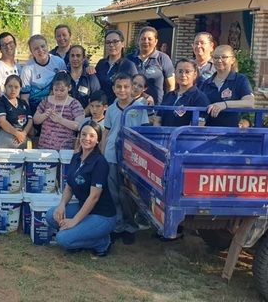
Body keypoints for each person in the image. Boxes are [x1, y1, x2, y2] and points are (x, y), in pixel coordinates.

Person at [45, 120, 117, 256]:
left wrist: (74, 221)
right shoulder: (76, 157)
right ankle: (82, 233)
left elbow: (94, 197)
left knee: (63, 239)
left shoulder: (100, 163)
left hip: (102, 216)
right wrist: (62, 205)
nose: (86, 139)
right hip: (84, 208)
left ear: (97, 140)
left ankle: (102, 242)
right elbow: (69, 186)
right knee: (51, 216)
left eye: (91, 136)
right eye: (83, 134)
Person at [101, 73, 149, 245]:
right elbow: (106, 132)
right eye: (118, 87)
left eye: (126, 87)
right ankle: (118, 225)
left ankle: (130, 226)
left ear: (132, 88)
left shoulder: (139, 108)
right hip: (112, 155)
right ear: (113, 89)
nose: (122, 90)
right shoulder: (112, 109)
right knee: (113, 192)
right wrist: (103, 152)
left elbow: (144, 134)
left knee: (128, 193)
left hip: (132, 158)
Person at [20, 34, 66, 146]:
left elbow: (65, 86)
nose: (40, 50)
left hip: (57, 110)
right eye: (36, 49)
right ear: (31, 51)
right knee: (39, 143)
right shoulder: (27, 69)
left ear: (47, 45)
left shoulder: (59, 62)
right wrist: (29, 122)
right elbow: (24, 99)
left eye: (42, 46)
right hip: (37, 112)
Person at [200, 44, 255, 127]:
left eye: (224, 57)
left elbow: (250, 102)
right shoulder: (206, 83)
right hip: (207, 133)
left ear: (232, 60)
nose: (219, 60)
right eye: (216, 57)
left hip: (231, 133)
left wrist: (224, 104)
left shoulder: (240, 79)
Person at [33, 72, 84, 150]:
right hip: (44, 147)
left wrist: (61, 120)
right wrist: (45, 115)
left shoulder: (74, 103)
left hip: (65, 149)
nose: (58, 93)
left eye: (62, 90)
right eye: (56, 90)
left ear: (69, 88)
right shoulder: (47, 100)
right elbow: (35, 120)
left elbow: (79, 125)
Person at [154, 59, 210, 127]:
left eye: (187, 72)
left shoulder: (200, 98)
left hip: (184, 137)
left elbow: (198, 125)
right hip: (163, 136)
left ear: (195, 74)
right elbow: (158, 120)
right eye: (180, 71)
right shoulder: (168, 96)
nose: (183, 75)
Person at [126, 26, 175, 104]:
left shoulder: (163, 58)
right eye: (143, 38)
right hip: (130, 106)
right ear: (138, 40)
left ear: (156, 41)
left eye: (150, 39)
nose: (146, 41)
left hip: (156, 108)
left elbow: (171, 86)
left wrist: (167, 105)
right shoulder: (129, 58)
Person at [95, 30, 138, 104]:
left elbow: (136, 88)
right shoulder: (101, 63)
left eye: (115, 41)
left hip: (118, 108)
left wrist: (146, 96)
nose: (111, 45)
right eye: (108, 42)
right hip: (100, 109)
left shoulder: (129, 66)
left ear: (122, 44)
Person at [0, 75, 33, 149]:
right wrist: (16, 134)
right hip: (5, 136)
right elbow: (1, 121)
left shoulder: (23, 103)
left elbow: (30, 120)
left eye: (16, 87)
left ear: (20, 88)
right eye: (10, 86)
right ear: (5, 87)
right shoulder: (0, 102)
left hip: (22, 137)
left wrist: (23, 134)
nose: (13, 89)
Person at [0, 32, 21, 100]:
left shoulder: (18, 67)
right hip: (3, 108)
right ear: (0, 48)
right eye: (4, 45)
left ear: (15, 44)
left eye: (10, 43)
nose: (8, 47)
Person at [68, 45, 101, 109]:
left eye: (78, 56)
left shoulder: (91, 77)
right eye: (72, 56)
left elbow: (96, 100)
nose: (75, 58)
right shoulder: (63, 76)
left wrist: (82, 116)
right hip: (64, 117)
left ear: (83, 58)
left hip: (85, 117)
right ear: (69, 58)